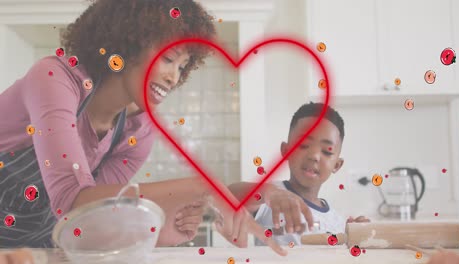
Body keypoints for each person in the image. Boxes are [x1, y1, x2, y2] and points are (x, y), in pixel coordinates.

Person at [0, 0, 286, 256]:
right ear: (127, 44)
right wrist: (201, 186)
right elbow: (71, 201)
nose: (174, 78)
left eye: (183, 66)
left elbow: (86, 223)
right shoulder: (54, 79)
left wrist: (161, 231)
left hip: (34, 254)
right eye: (169, 59)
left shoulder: (138, 131)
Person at [229, 102, 370, 246]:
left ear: (337, 165)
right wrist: (266, 192)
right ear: (285, 151)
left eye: (327, 151)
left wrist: (351, 236)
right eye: (303, 145)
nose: (314, 156)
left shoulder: (337, 221)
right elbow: (225, 196)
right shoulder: (270, 198)